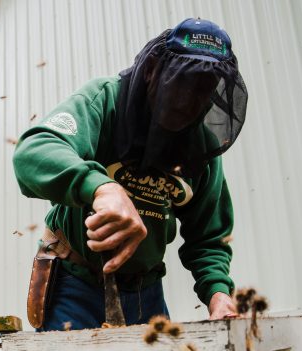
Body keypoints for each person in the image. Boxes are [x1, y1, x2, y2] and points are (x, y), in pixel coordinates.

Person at [14, 18, 248, 331]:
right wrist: (101, 188)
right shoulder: (104, 100)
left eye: (203, 90)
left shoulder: (201, 146)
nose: (190, 101)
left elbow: (209, 236)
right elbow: (34, 152)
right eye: (183, 84)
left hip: (146, 292)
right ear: (153, 70)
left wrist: (218, 294)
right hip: (75, 283)